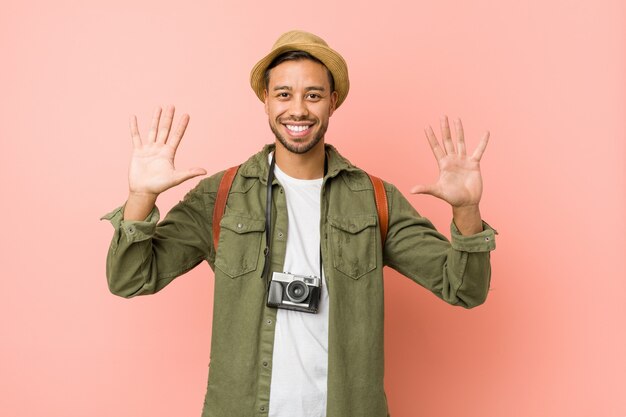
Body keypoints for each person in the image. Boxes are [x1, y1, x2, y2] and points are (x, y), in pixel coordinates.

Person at [102, 30, 497, 417]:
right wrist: (142, 197)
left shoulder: (375, 199)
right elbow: (130, 278)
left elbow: (465, 289)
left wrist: (466, 210)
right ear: (265, 100)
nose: (299, 110)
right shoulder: (221, 195)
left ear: (332, 102)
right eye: (284, 94)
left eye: (313, 95)